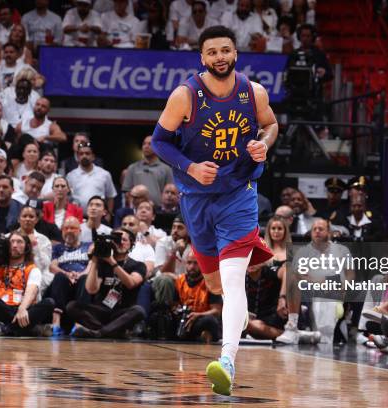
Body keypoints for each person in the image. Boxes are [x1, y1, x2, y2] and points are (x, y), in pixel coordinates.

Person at [150, 26, 277, 396]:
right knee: (216, 285)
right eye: (212, 52)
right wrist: (190, 167)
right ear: (202, 58)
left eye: (226, 50)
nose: (220, 57)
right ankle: (236, 316)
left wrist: (263, 145)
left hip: (239, 193)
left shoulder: (254, 93)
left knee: (233, 280)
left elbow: (271, 125)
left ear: (235, 54)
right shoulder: (185, 96)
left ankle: (227, 361)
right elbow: (159, 141)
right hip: (197, 199)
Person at [0, 231, 55, 336]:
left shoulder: (32, 269)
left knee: (49, 302)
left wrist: (22, 309)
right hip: (2, 310)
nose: (15, 245)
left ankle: (4, 329)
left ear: (26, 247)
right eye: (12, 242)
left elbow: (32, 292)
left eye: (19, 242)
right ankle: (31, 329)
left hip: (23, 311)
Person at [66, 228, 146, 338]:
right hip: (101, 311)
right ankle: (113, 331)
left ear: (131, 243)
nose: (120, 243)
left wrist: (112, 262)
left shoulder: (138, 265)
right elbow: (91, 289)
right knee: (72, 306)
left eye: (124, 240)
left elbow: (131, 283)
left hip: (122, 313)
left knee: (139, 311)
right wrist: (94, 260)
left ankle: (100, 333)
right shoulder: (103, 263)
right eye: (117, 240)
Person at [46, 216, 91, 336]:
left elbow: (92, 264)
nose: (69, 231)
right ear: (62, 231)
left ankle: (79, 323)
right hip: (64, 285)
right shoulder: (57, 248)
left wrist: (80, 274)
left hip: (82, 282)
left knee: (85, 278)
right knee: (59, 276)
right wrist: (67, 274)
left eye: (73, 228)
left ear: (80, 231)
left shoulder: (89, 246)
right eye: (66, 228)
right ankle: (56, 322)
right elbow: (52, 267)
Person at [174, 246, 222, 342]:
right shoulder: (179, 281)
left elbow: (217, 311)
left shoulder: (210, 282)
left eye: (196, 263)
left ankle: (203, 337)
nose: (192, 266)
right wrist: (178, 311)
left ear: (202, 264)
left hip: (199, 319)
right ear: (185, 264)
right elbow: (174, 305)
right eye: (189, 263)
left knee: (210, 321)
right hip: (184, 320)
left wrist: (198, 315)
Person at [66, 141, 117, 216]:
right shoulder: (70, 176)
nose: (84, 156)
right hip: (77, 217)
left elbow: (110, 196)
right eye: (81, 154)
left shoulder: (104, 174)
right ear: (78, 157)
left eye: (87, 153)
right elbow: (67, 198)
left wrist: (108, 215)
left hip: (99, 218)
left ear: (93, 156)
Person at [121, 135, 173, 207]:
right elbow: (127, 191)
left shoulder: (166, 169)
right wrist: (133, 207)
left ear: (157, 147)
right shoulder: (132, 168)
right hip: (137, 210)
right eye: (144, 144)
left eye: (150, 144)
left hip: (159, 210)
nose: (146, 146)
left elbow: (171, 191)